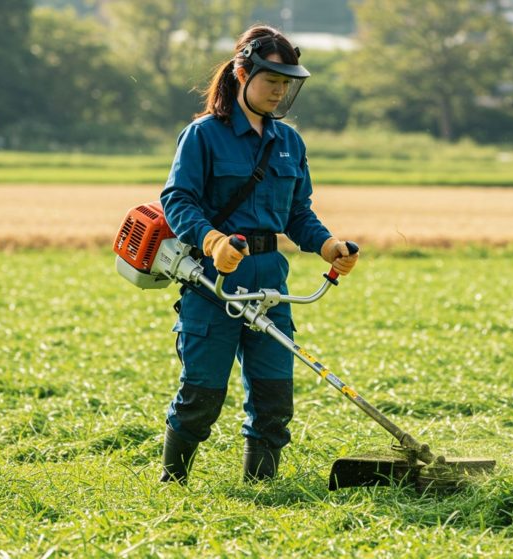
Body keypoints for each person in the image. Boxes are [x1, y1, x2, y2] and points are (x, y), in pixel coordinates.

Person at [158, 24, 359, 484]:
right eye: (271, 81)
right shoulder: (203, 135)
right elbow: (178, 199)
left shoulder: (289, 142)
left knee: (273, 398)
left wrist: (328, 245)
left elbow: (297, 213)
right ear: (241, 73)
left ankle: (262, 488)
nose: (279, 91)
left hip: (270, 278)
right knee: (201, 395)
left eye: (286, 83)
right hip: (214, 282)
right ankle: (173, 484)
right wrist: (212, 242)